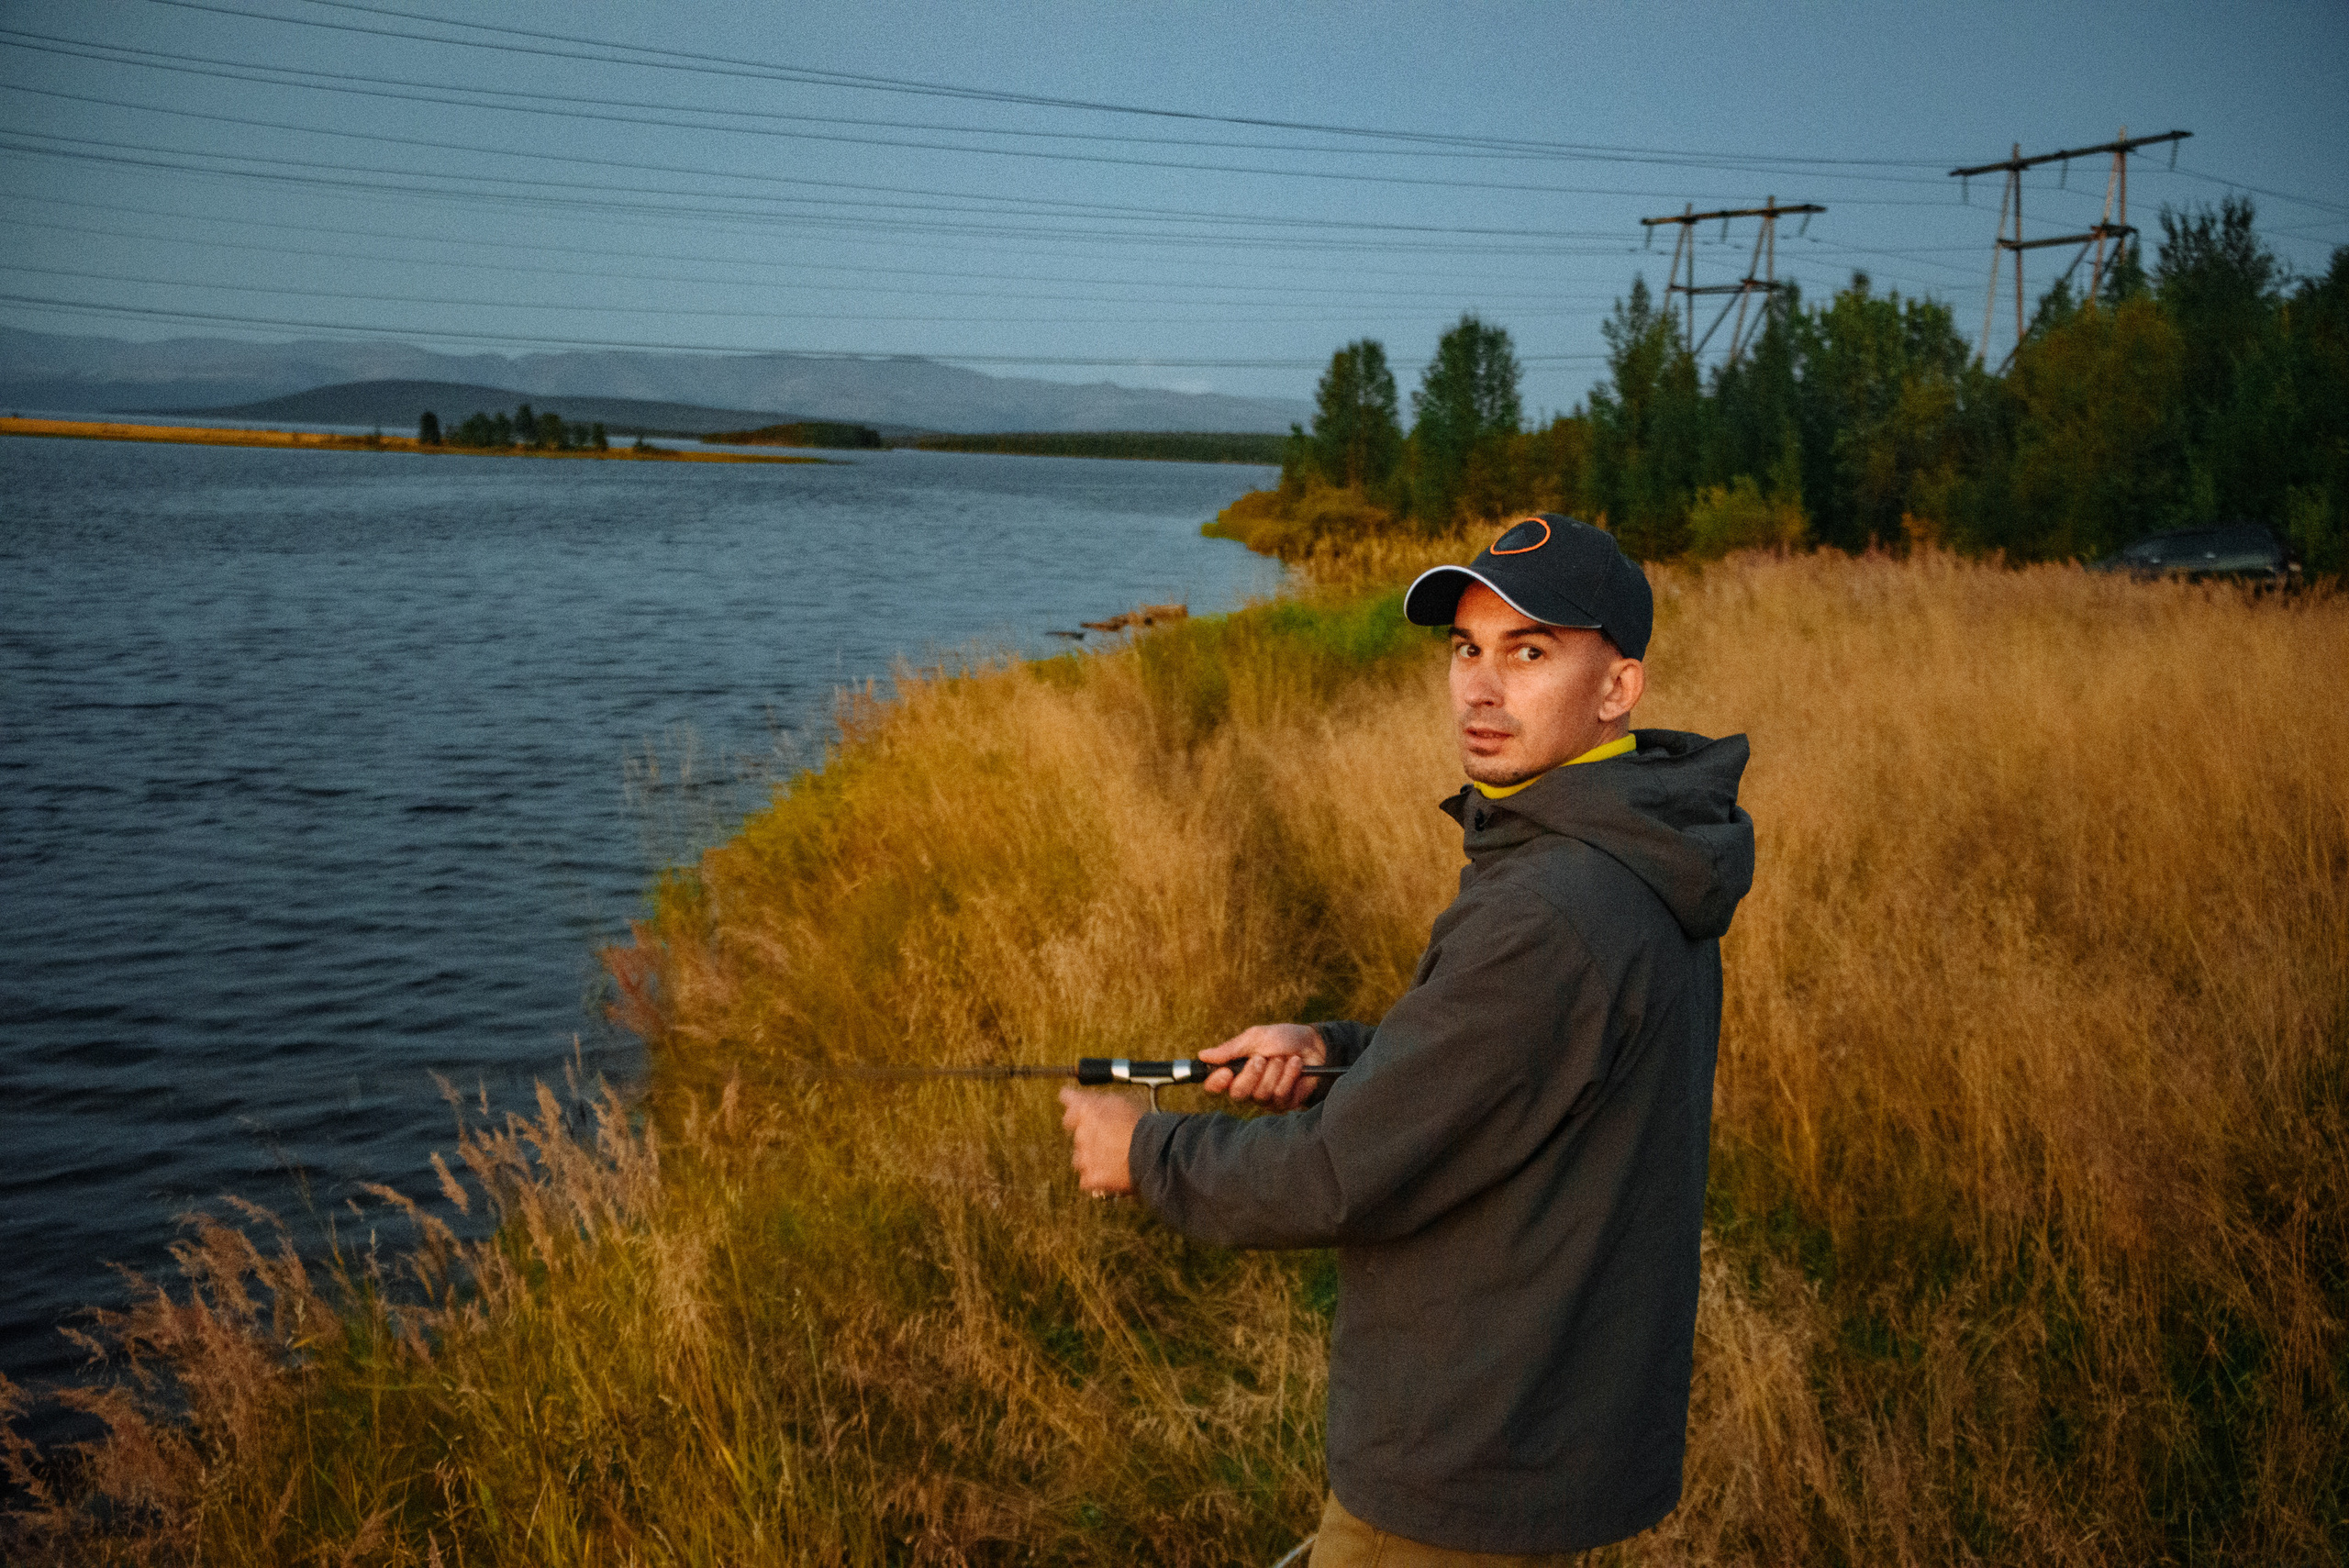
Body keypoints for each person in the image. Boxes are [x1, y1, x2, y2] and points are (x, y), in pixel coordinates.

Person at [1058, 515, 1754, 1562]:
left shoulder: (1556, 906)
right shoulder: (1631, 848)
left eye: (1529, 652)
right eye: (1464, 648)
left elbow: (1339, 1174)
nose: (1480, 687)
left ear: (1619, 687)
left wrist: (1142, 1151)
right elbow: (1514, 1064)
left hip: (1464, 1462)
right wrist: (1332, 1052)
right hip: (1532, 1432)